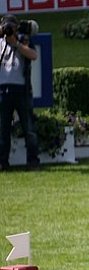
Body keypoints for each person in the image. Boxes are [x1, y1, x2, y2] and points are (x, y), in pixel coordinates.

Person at [0, 14, 39, 171]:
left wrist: (16, 44)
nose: (9, 30)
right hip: (2, 90)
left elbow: (33, 55)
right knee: (3, 129)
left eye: (12, 27)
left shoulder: (23, 40)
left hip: (22, 90)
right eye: (6, 27)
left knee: (29, 128)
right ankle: (3, 162)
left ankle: (33, 161)